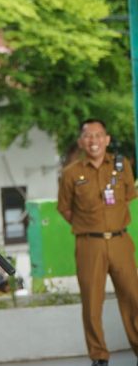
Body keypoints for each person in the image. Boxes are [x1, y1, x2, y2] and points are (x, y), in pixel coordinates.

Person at [57, 118, 138, 366]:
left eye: (98, 135)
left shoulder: (122, 165)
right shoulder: (71, 173)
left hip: (120, 240)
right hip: (89, 244)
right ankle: (99, 356)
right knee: (92, 302)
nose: (94, 140)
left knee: (134, 298)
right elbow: (65, 209)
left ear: (107, 139)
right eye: (88, 136)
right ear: (82, 141)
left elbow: (128, 196)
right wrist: (88, 227)